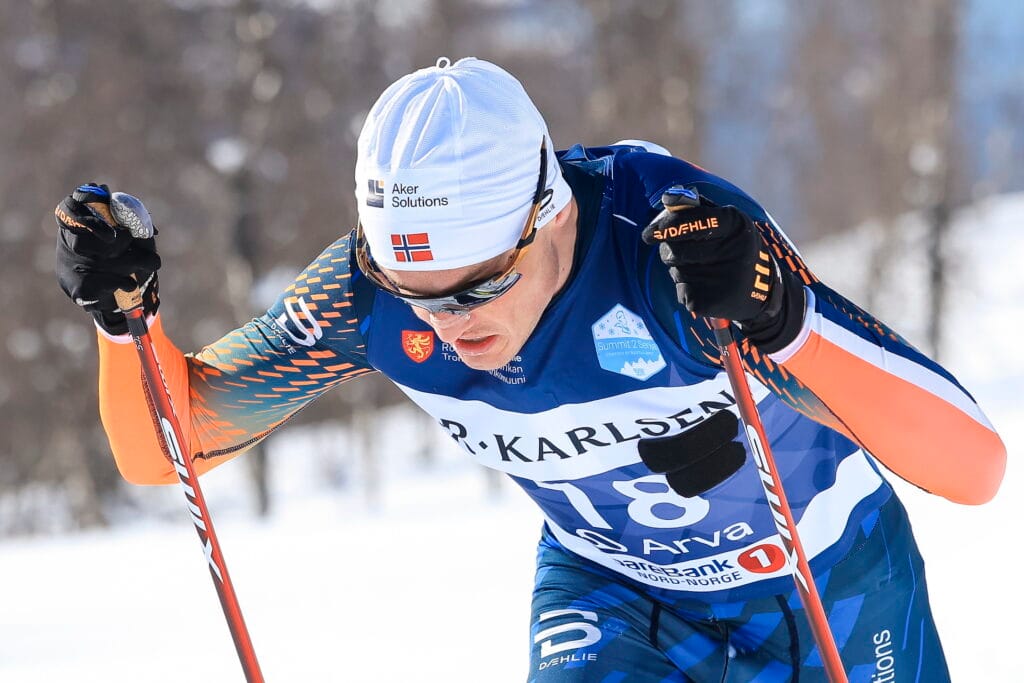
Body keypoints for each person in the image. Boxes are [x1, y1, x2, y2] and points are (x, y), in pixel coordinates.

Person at [55, 57, 1005, 682]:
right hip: (612, 587)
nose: (444, 322)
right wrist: (123, 320)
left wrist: (786, 320)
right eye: (412, 289)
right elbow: (167, 450)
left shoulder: (672, 246)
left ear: (547, 215)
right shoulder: (365, 293)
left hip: (824, 571)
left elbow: (975, 465)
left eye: (473, 290)